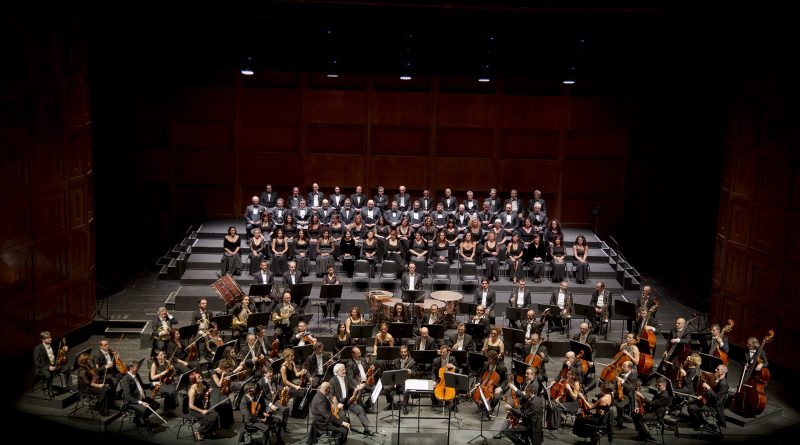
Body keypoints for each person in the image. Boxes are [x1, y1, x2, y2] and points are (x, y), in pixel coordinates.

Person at [329, 363, 376, 437]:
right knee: (341, 415)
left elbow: (353, 385)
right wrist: (337, 404)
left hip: (347, 401)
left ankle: (367, 429)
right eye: (342, 370)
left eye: (344, 369)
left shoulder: (346, 378)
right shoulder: (332, 381)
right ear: (337, 372)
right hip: (338, 404)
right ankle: (337, 431)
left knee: (360, 409)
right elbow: (330, 395)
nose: (345, 371)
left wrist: (358, 386)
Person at [501, 377, 545, 445]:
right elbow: (524, 400)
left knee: (508, 432)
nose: (525, 394)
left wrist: (511, 409)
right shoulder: (535, 398)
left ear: (532, 392)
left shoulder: (534, 403)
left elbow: (524, 415)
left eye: (527, 392)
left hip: (530, 426)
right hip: (530, 422)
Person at [687, 364, 730, 431]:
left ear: (722, 373)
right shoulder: (719, 380)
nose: (715, 370)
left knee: (691, 407)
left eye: (718, 369)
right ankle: (698, 421)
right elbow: (713, 394)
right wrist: (703, 397)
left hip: (714, 406)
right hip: (710, 402)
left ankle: (702, 422)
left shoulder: (723, 384)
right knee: (691, 401)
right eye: (716, 368)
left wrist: (708, 388)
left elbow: (717, 398)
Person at [120, 360, 160, 429]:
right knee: (145, 409)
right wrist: (141, 402)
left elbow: (143, 386)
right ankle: (142, 420)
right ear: (131, 368)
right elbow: (128, 397)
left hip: (140, 397)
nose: (138, 368)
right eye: (137, 367)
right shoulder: (125, 380)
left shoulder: (136, 375)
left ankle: (140, 418)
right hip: (132, 401)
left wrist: (153, 383)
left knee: (156, 404)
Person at [632, 377, 672, 442]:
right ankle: (642, 434)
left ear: (665, 385)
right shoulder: (659, 392)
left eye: (659, 385)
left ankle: (647, 436)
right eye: (656, 385)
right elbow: (652, 404)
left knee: (639, 418)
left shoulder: (664, 395)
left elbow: (652, 403)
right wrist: (639, 408)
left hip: (657, 415)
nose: (657, 387)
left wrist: (642, 396)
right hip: (653, 411)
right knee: (635, 415)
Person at [474, 350, 508, 420]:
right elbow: (480, 375)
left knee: (496, 397)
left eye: (490, 359)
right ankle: (483, 408)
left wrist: (500, 388)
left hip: (496, 386)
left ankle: (490, 409)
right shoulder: (485, 364)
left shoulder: (502, 367)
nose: (489, 360)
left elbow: (506, 379)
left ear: (495, 359)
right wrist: (478, 382)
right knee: (473, 393)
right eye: (488, 358)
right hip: (485, 384)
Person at [187, 371, 220, 440]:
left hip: (201, 407)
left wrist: (208, 393)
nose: (201, 377)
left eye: (200, 376)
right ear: (194, 379)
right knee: (211, 418)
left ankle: (210, 430)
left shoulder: (201, 385)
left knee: (216, 414)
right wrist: (201, 411)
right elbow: (191, 405)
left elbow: (203, 397)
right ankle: (199, 432)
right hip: (194, 410)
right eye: (199, 377)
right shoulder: (193, 391)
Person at [149, 350, 180, 414]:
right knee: (168, 391)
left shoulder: (167, 362)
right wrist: (161, 373)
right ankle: (166, 409)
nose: (163, 355)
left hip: (166, 381)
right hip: (158, 383)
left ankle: (171, 408)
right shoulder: (154, 364)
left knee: (174, 389)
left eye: (163, 354)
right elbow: (152, 377)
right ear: (157, 357)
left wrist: (173, 371)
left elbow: (174, 373)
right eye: (161, 355)